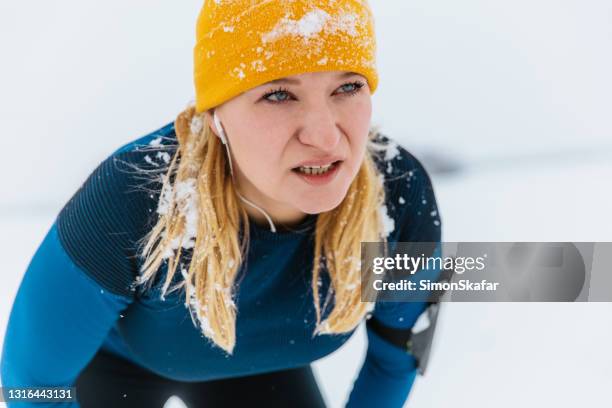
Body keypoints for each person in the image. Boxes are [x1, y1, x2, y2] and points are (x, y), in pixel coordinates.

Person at [1, 1, 443, 407]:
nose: (325, 137)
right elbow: (27, 379)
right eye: (278, 94)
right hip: (116, 367)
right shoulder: (132, 200)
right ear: (214, 116)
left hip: (262, 379)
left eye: (347, 86)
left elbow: (396, 357)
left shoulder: (400, 200)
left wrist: (491, 271)